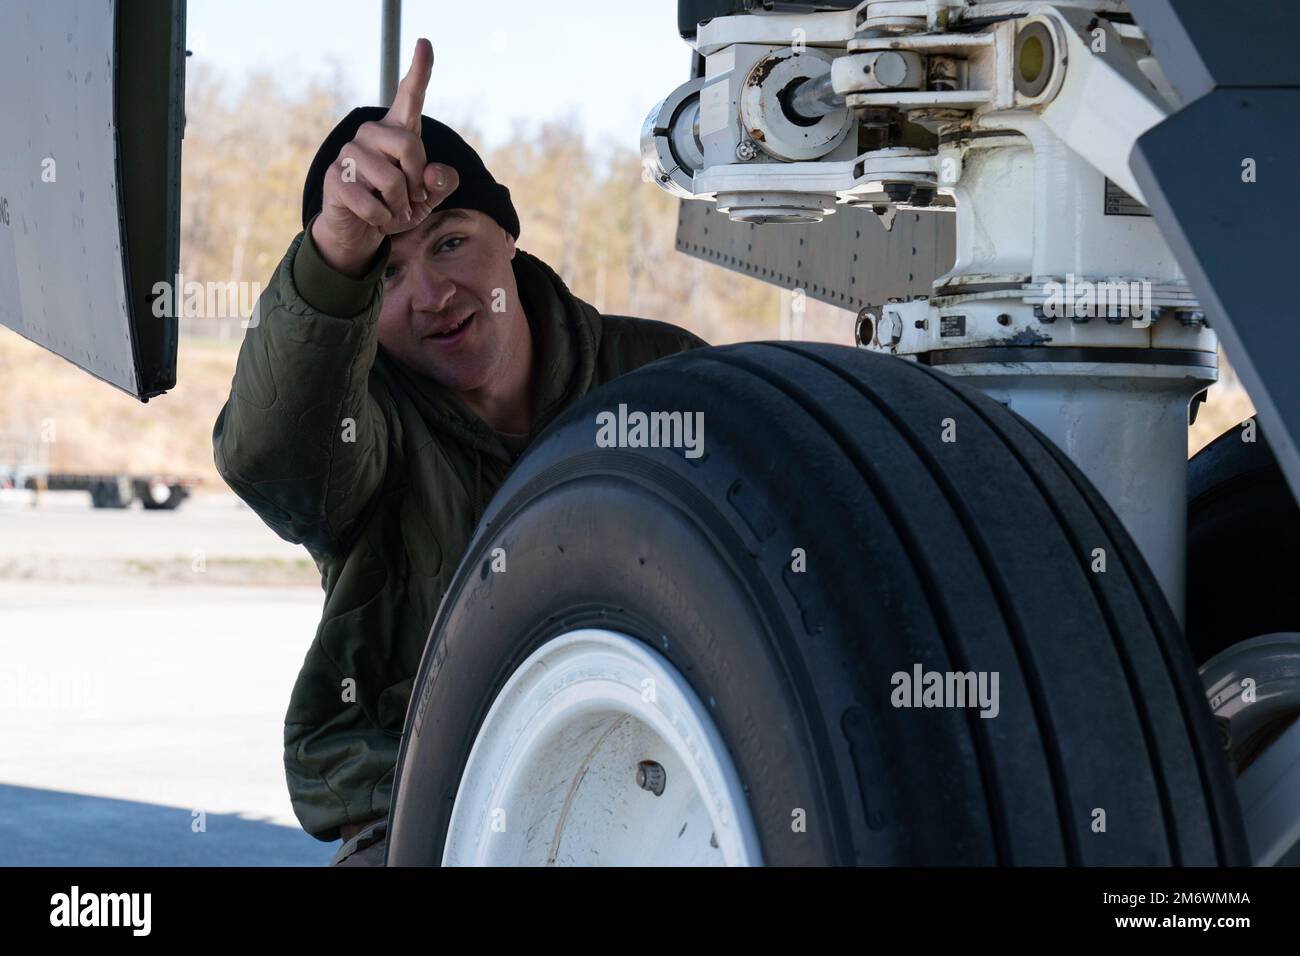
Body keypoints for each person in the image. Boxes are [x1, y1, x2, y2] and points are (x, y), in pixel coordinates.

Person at [212, 38, 706, 866]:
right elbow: (271, 453)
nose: (432, 296)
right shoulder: (363, 429)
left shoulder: (662, 378)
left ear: (508, 234)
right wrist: (337, 250)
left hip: (667, 803)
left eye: (449, 243)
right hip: (428, 814)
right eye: (388, 274)